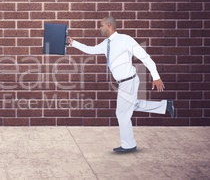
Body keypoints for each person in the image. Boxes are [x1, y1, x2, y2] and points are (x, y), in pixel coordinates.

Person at [67, 16, 174, 153]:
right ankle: (166, 105)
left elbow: (144, 56)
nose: (99, 28)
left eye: (101, 26)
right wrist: (73, 43)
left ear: (109, 25)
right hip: (124, 83)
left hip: (129, 80)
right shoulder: (106, 44)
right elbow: (91, 50)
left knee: (122, 113)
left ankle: (129, 145)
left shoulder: (125, 39)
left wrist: (156, 76)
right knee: (132, 105)